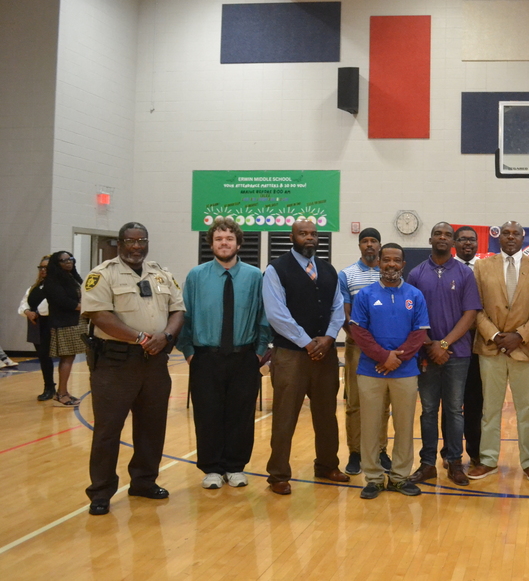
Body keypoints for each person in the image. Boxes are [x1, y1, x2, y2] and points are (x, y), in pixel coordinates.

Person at [81, 222, 185, 516]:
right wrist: (139, 338)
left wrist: (165, 337)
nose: (136, 246)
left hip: (154, 361)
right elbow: (99, 315)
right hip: (115, 363)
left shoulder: (161, 274)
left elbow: (179, 310)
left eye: (142, 241)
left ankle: (143, 481)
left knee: (152, 427)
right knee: (107, 430)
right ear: (120, 243)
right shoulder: (102, 275)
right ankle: (100, 492)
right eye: (130, 241)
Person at [178, 218, 272, 489]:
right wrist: (188, 352)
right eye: (218, 239)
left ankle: (235, 466)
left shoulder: (254, 276)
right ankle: (212, 468)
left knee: (241, 414)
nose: (224, 243)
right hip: (205, 357)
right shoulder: (197, 276)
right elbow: (185, 314)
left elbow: (263, 317)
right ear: (211, 244)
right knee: (207, 413)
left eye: (229, 239)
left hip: (244, 356)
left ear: (238, 243)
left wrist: (258, 351)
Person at [263, 220, 349, 495]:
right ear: (292, 237)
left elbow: (338, 307)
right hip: (290, 355)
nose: (309, 238)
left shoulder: (328, 269)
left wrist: (329, 337)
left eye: (313, 234)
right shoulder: (276, 269)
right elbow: (276, 314)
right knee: (285, 416)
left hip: (325, 354)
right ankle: (278, 474)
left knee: (326, 415)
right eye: (304, 234)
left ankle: (327, 465)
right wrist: (307, 342)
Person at [347, 243, 430, 499]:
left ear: (403, 264)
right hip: (370, 371)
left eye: (396, 260)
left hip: (405, 372)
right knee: (370, 426)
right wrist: (384, 357)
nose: (391, 264)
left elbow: (420, 333)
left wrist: (396, 359)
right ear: (379, 263)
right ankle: (372, 478)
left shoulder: (415, 295)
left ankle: (399, 477)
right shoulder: (365, 295)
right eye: (386, 260)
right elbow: (358, 332)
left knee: (404, 427)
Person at [468, 221, 529, 482]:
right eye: (506, 233)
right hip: (491, 347)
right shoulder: (481, 267)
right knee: (489, 408)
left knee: (527, 409)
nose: (510, 237)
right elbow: (474, 307)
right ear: (498, 237)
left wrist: (520, 336)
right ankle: (488, 459)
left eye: (516, 233)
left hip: (525, 348)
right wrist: (494, 335)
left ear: (524, 238)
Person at [407, 223, 481, 485]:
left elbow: (470, 313)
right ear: (430, 239)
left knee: (454, 410)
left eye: (447, 234)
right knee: (428, 410)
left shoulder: (464, 273)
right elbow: (411, 315)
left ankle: (454, 462)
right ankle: (427, 464)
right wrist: (430, 345)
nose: (442, 237)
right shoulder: (416, 274)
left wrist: (445, 344)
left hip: (457, 354)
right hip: (425, 353)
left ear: (453, 242)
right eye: (438, 233)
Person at [339, 228, 391, 476]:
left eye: (373, 241)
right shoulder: (347, 275)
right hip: (357, 347)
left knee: (383, 403)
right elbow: (344, 315)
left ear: (379, 245)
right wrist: (363, 340)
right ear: (359, 245)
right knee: (355, 403)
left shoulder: (390, 274)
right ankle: (355, 452)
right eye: (365, 241)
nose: (369, 245)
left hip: (385, 349)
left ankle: (381, 450)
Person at [453, 226, 484, 467]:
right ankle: (450, 453)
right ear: (455, 242)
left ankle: (475, 451)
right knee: (451, 404)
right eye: (462, 239)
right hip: (450, 346)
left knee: (475, 402)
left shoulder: (484, 270)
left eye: (471, 240)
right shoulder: (445, 269)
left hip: (478, 346)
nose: (467, 243)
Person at [43, 251, 87, 407]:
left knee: (70, 357)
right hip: (64, 322)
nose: (68, 262)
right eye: (63, 260)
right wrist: (82, 307)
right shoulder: (52, 280)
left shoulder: (73, 277)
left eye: (70, 259)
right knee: (67, 357)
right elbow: (61, 300)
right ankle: (61, 393)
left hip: (76, 321)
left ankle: (64, 392)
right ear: (57, 263)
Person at [19, 254, 55, 399]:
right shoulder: (34, 287)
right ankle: (49, 386)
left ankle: (50, 387)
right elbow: (23, 304)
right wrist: (27, 312)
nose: (43, 270)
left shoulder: (56, 286)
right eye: (41, 267)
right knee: (42, 356)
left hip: (49, 324)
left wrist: (37, 312)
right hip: (35, 325)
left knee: (46, 355)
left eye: (46, 267)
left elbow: (49, 304)